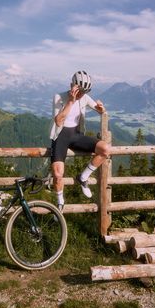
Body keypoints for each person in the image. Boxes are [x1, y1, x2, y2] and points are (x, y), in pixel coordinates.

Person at [50, 70, 109, 211]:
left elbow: (100, 110)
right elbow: (58, 121)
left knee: (105, 149)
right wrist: (71, 101)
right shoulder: (59, 97)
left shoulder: (85, 98)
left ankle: (83, 177)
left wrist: (101, 108)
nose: (82, 94)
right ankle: (60, 202)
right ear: (72, 85)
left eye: (85, 91)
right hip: (60, 136)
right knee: (58, 174)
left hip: (76, 135)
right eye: (80, 90)